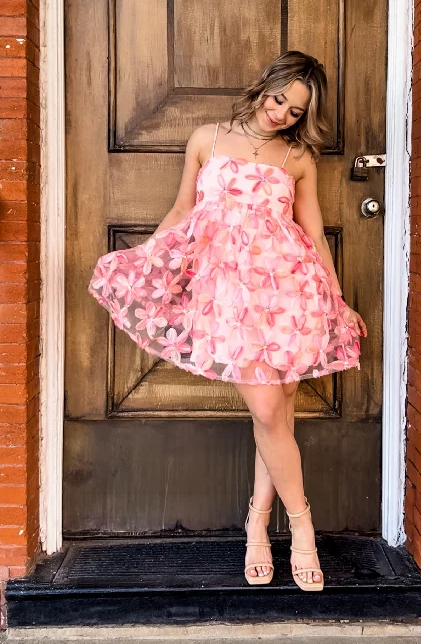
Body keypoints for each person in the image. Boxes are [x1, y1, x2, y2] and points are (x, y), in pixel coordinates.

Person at [88, 50, 368, 592]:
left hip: (289, 293)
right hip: (228, 297)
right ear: (265, 86)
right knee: (267, 409)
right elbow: (181, 212)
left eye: (295, 109)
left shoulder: (298, 158)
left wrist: (335, 298)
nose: (282, 112)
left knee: (278, 417)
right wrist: (147, 259)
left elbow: (312, 235)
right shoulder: (206, 138)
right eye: (279, 97)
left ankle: (258, 528)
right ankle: (303, 529)